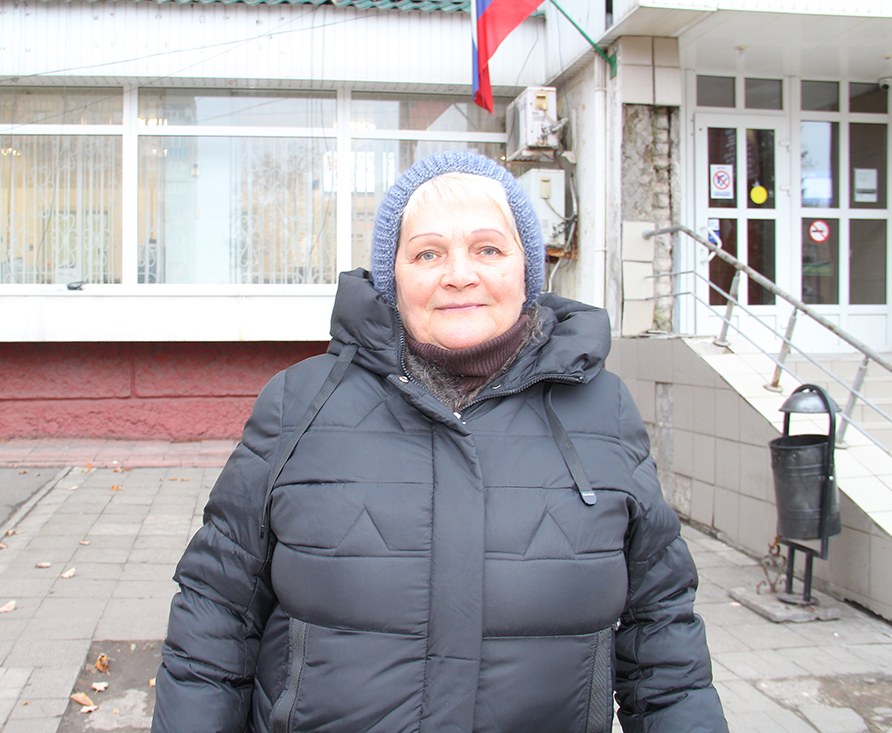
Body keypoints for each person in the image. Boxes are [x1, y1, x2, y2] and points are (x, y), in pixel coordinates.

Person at [152, 151, 728, 733]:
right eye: (428, 253)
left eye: (488, 249)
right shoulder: (299, 403)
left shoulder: (603, 408)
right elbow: (215, 616)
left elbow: (663, 642)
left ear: (526, 270)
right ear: (393, 277)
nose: (459, 275)